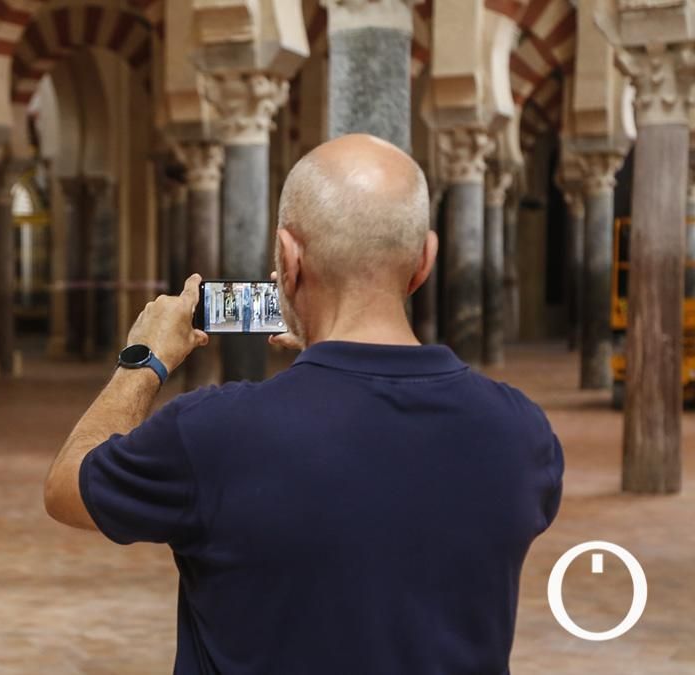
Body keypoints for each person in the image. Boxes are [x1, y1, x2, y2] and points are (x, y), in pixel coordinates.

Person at [43, 134, 563, 675]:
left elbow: (66, 488)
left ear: (288, 261)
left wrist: (143, 359)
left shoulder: (215, 435)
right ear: (425, 260)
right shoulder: (522, 434)